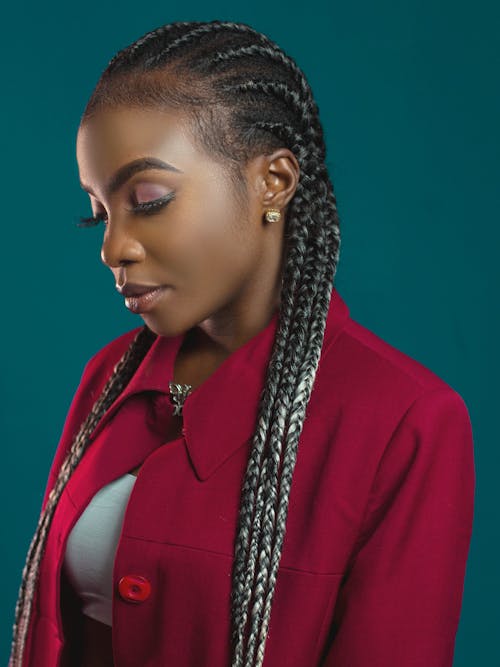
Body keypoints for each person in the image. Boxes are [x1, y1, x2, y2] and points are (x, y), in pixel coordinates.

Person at [9, 19, 475, 667]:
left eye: (149, 199)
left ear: (273, 182)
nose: (112, 247)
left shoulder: (405, 422)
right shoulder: (109, 376)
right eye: (99, 211)